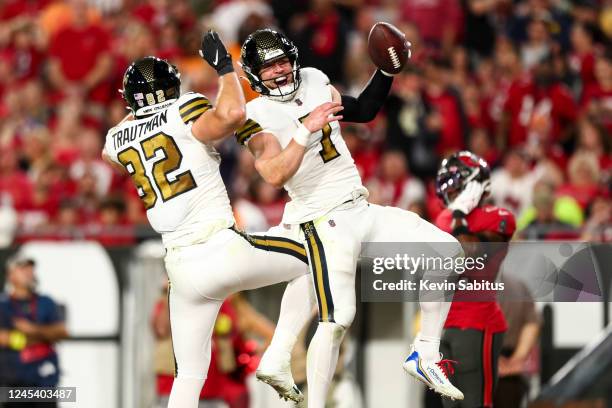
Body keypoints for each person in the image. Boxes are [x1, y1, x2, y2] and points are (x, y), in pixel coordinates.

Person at [236, 28, 464, 407]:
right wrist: (304, 132)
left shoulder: (313, 80)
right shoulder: (255, 114)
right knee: (337, 317)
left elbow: (363, 110)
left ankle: (425, 352)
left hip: (358, 207)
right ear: (254, 74)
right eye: (269, 66)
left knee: (447, 251)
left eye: (282, 61)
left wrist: (386, 71)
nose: (278, 71)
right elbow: (275, 174)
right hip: (322, 220)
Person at [101, 30, 316, 408]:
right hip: (219, 247)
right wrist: (223, 70)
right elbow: (230, 114)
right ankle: (281, 355)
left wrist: (140, 112)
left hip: (180, 270)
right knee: (319, 260)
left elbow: (115, 147)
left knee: (188, 375)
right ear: (173, 87)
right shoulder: (184, 108)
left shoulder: (116, 139)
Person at [433, 151, 516, 408]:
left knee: (477, 402)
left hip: (478, 322)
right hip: (443, 326)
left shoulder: (500, 217)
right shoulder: (445, 218)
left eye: (457, 182)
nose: (451, 191)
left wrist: (459, 216)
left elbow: (469, 254)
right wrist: (458, 217)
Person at [0, 257, 68, 408]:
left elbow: (62, 332)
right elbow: (3, 338)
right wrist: (40, 338)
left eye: (31, 269)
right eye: (23, 269)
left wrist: (32, 330)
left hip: (45, 382)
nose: (29, 273)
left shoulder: (46, 302)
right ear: (10, 275)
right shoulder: (3, 305)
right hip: (13, 383)